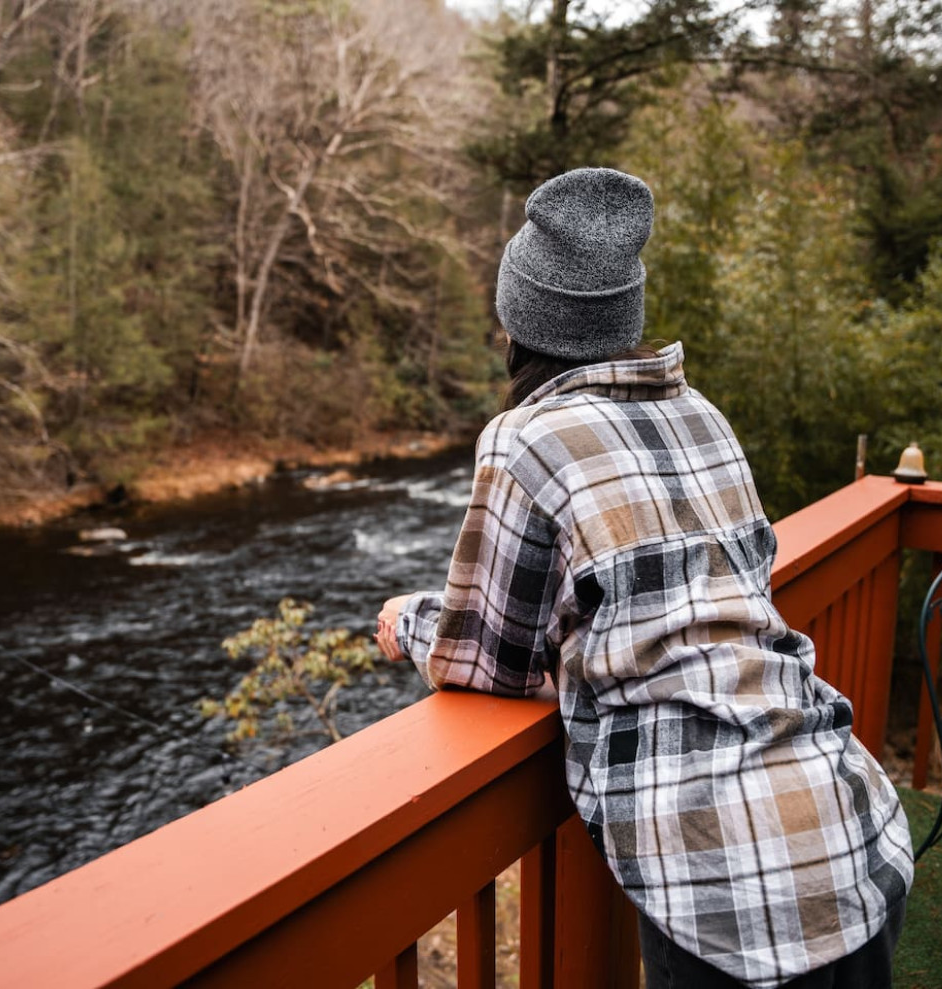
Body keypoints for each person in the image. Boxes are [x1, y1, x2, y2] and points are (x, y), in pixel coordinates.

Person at [374, 167, 913, 989]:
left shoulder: (526, 439)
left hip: (724, 883)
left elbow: (488, 659)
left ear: (518, 319)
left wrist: (408, 620)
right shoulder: (704, 415)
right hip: (847, 828)